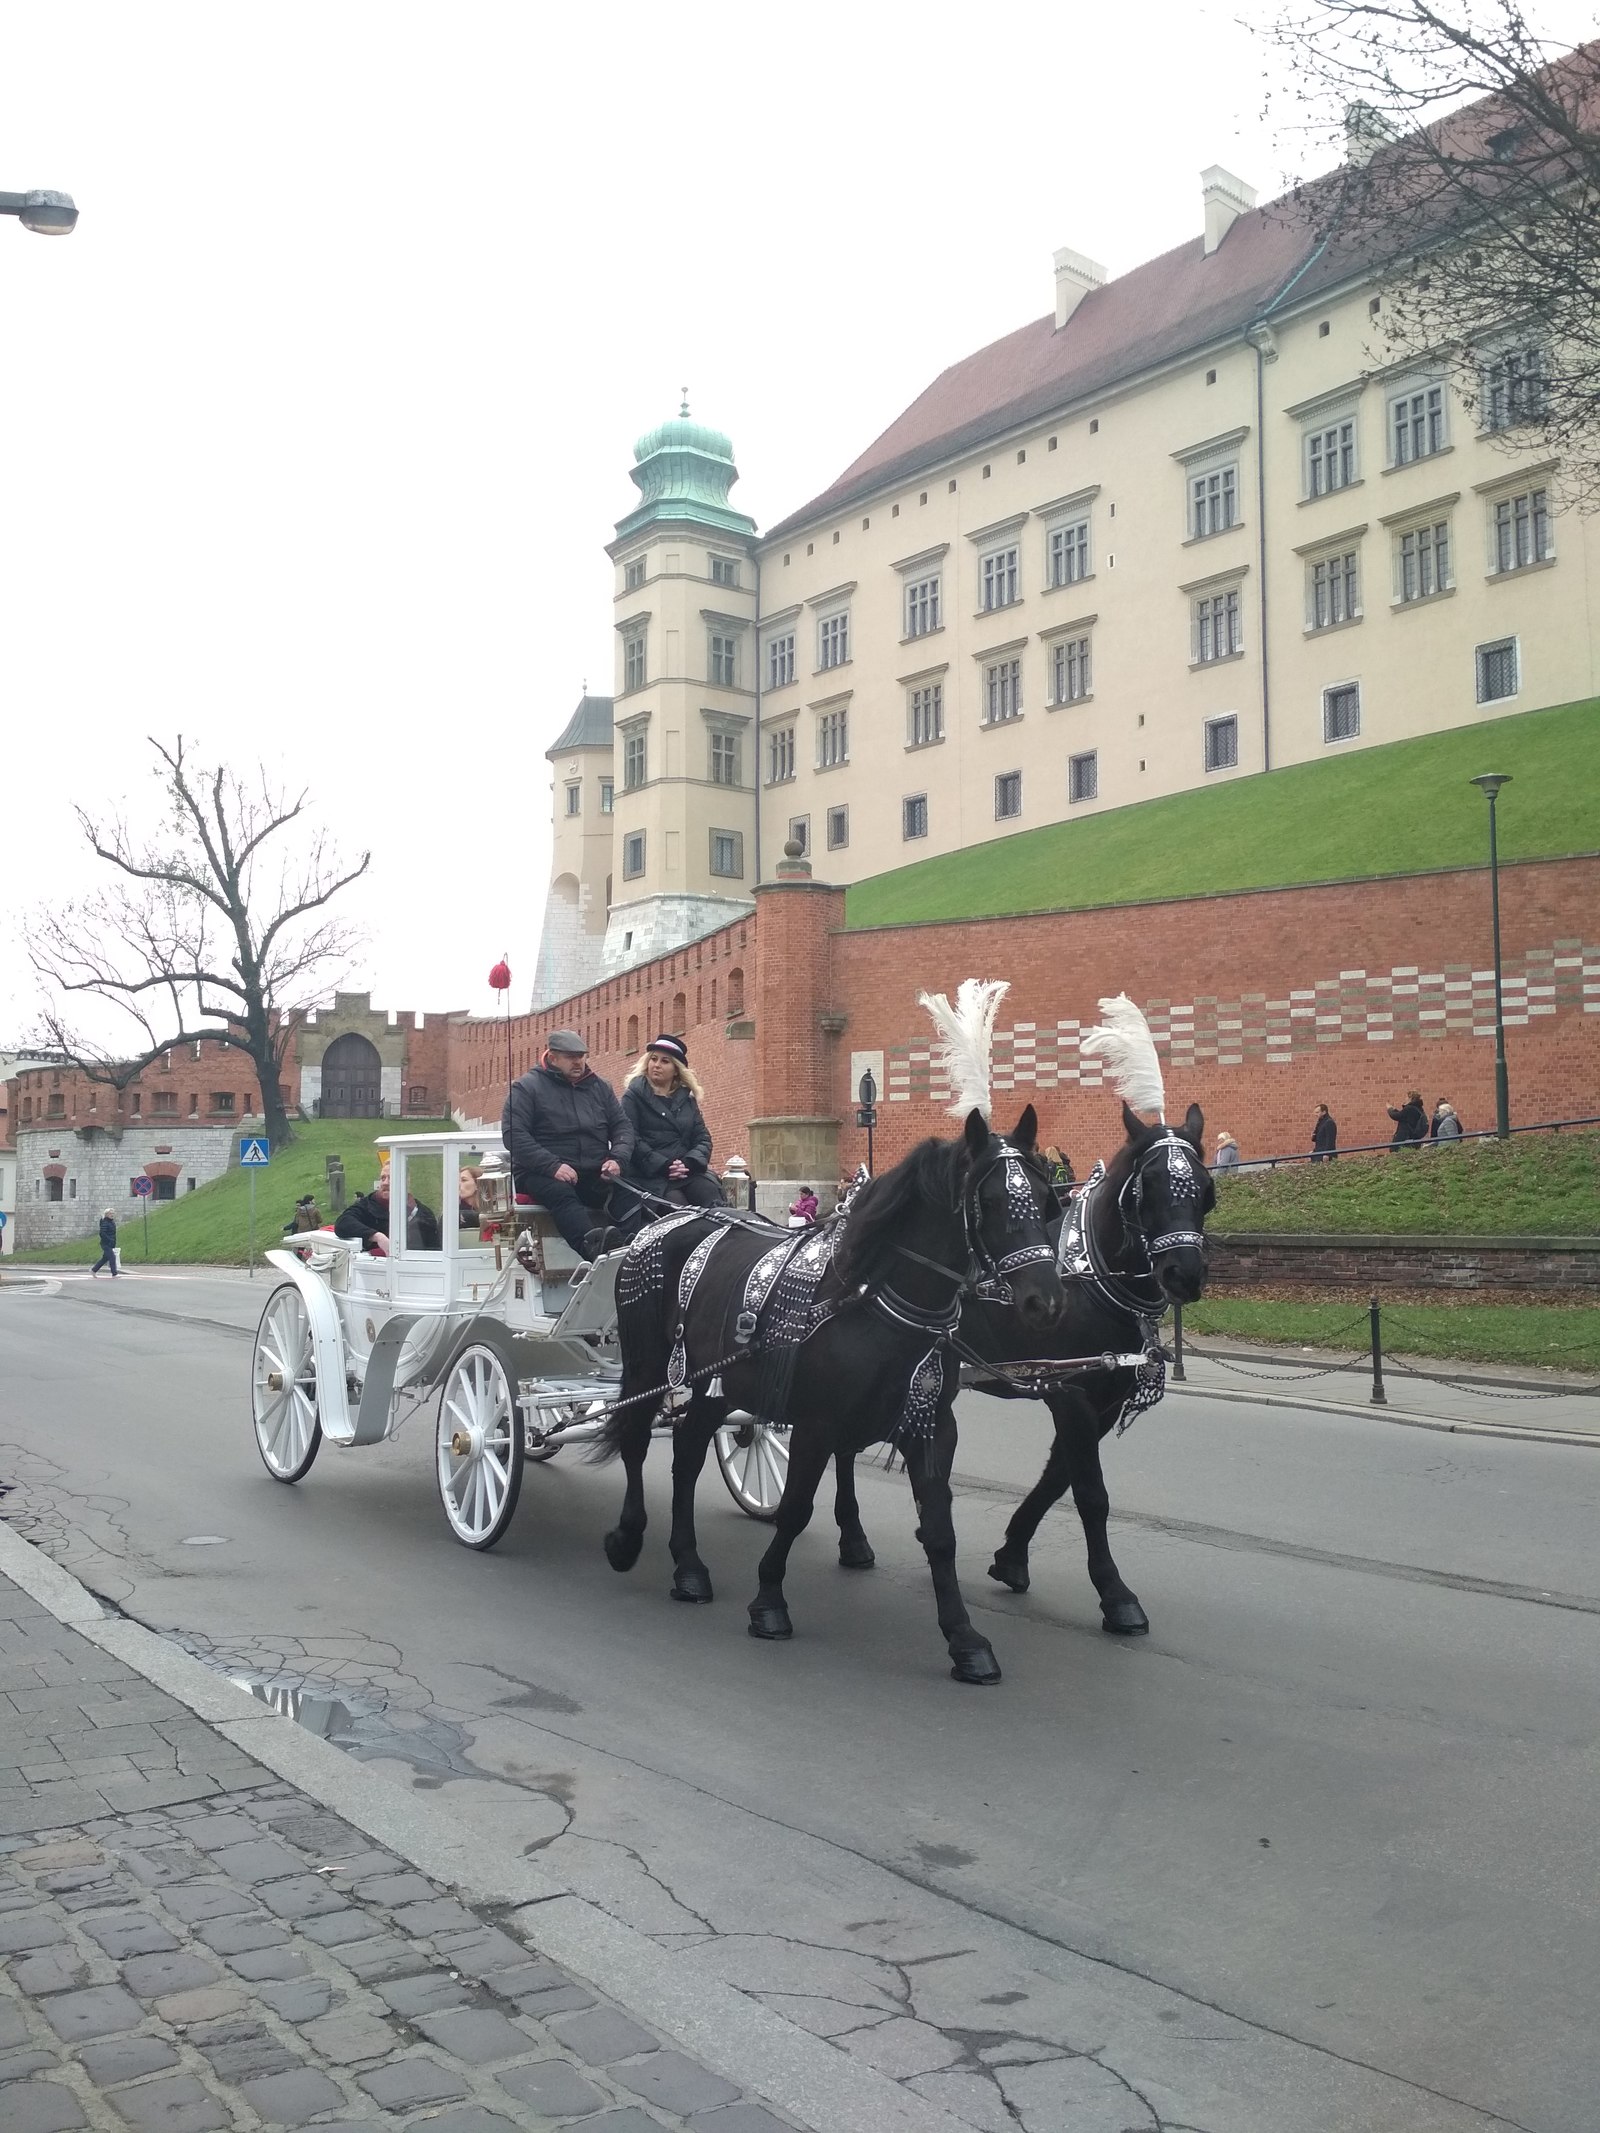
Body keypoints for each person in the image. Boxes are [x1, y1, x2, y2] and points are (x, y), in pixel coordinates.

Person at [501, 1029, 635, 1258]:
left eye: (582, 1056)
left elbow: (622, 1127)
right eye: (571, 1057)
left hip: (593, 1169)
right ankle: (593, 1248)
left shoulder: (600, 1087)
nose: (578, 1062)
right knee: (561, 1194)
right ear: (552, 1058)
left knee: (630, 1188)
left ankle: (632, 1247)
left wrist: (617, 1159)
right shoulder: (526, 1088)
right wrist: (552, 1166)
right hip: (541, 1172)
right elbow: (514, 1135)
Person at [620, 1035, 724, 1221]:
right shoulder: (633, 1097)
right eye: (653, 1059)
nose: (657, 1065)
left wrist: (689, 1163)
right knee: (681, 1214)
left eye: (665, 1061)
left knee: (715, 1205)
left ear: (676, 1070)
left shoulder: (687, 1100)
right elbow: (631, 1138)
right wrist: (664, 1165)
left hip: (687, 1172)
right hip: (651, 1177)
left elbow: (702, 1138)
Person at [334, 1170, 441, 1256]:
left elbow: (434, 1251)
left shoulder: (422, 1213)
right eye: (383, 1178)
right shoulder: (368, 1205)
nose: (385, 1183)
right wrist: (377, 1236)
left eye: (391, 1178)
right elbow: (342, 1223)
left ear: (406, 1182)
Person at [91, 1208, 119, 1278]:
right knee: (112, 1257)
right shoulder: (105, 1222)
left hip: (110, 1243)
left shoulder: (111, 1222)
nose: (112, 1215)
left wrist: (112, 1241)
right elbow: (102, 1233)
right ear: (106, 1214)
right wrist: (109, 1240)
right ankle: (114, 1274)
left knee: (105, 1258)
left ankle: (94, 1270)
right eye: (110, 1213)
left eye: (113, 1213)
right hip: (106, 1243)